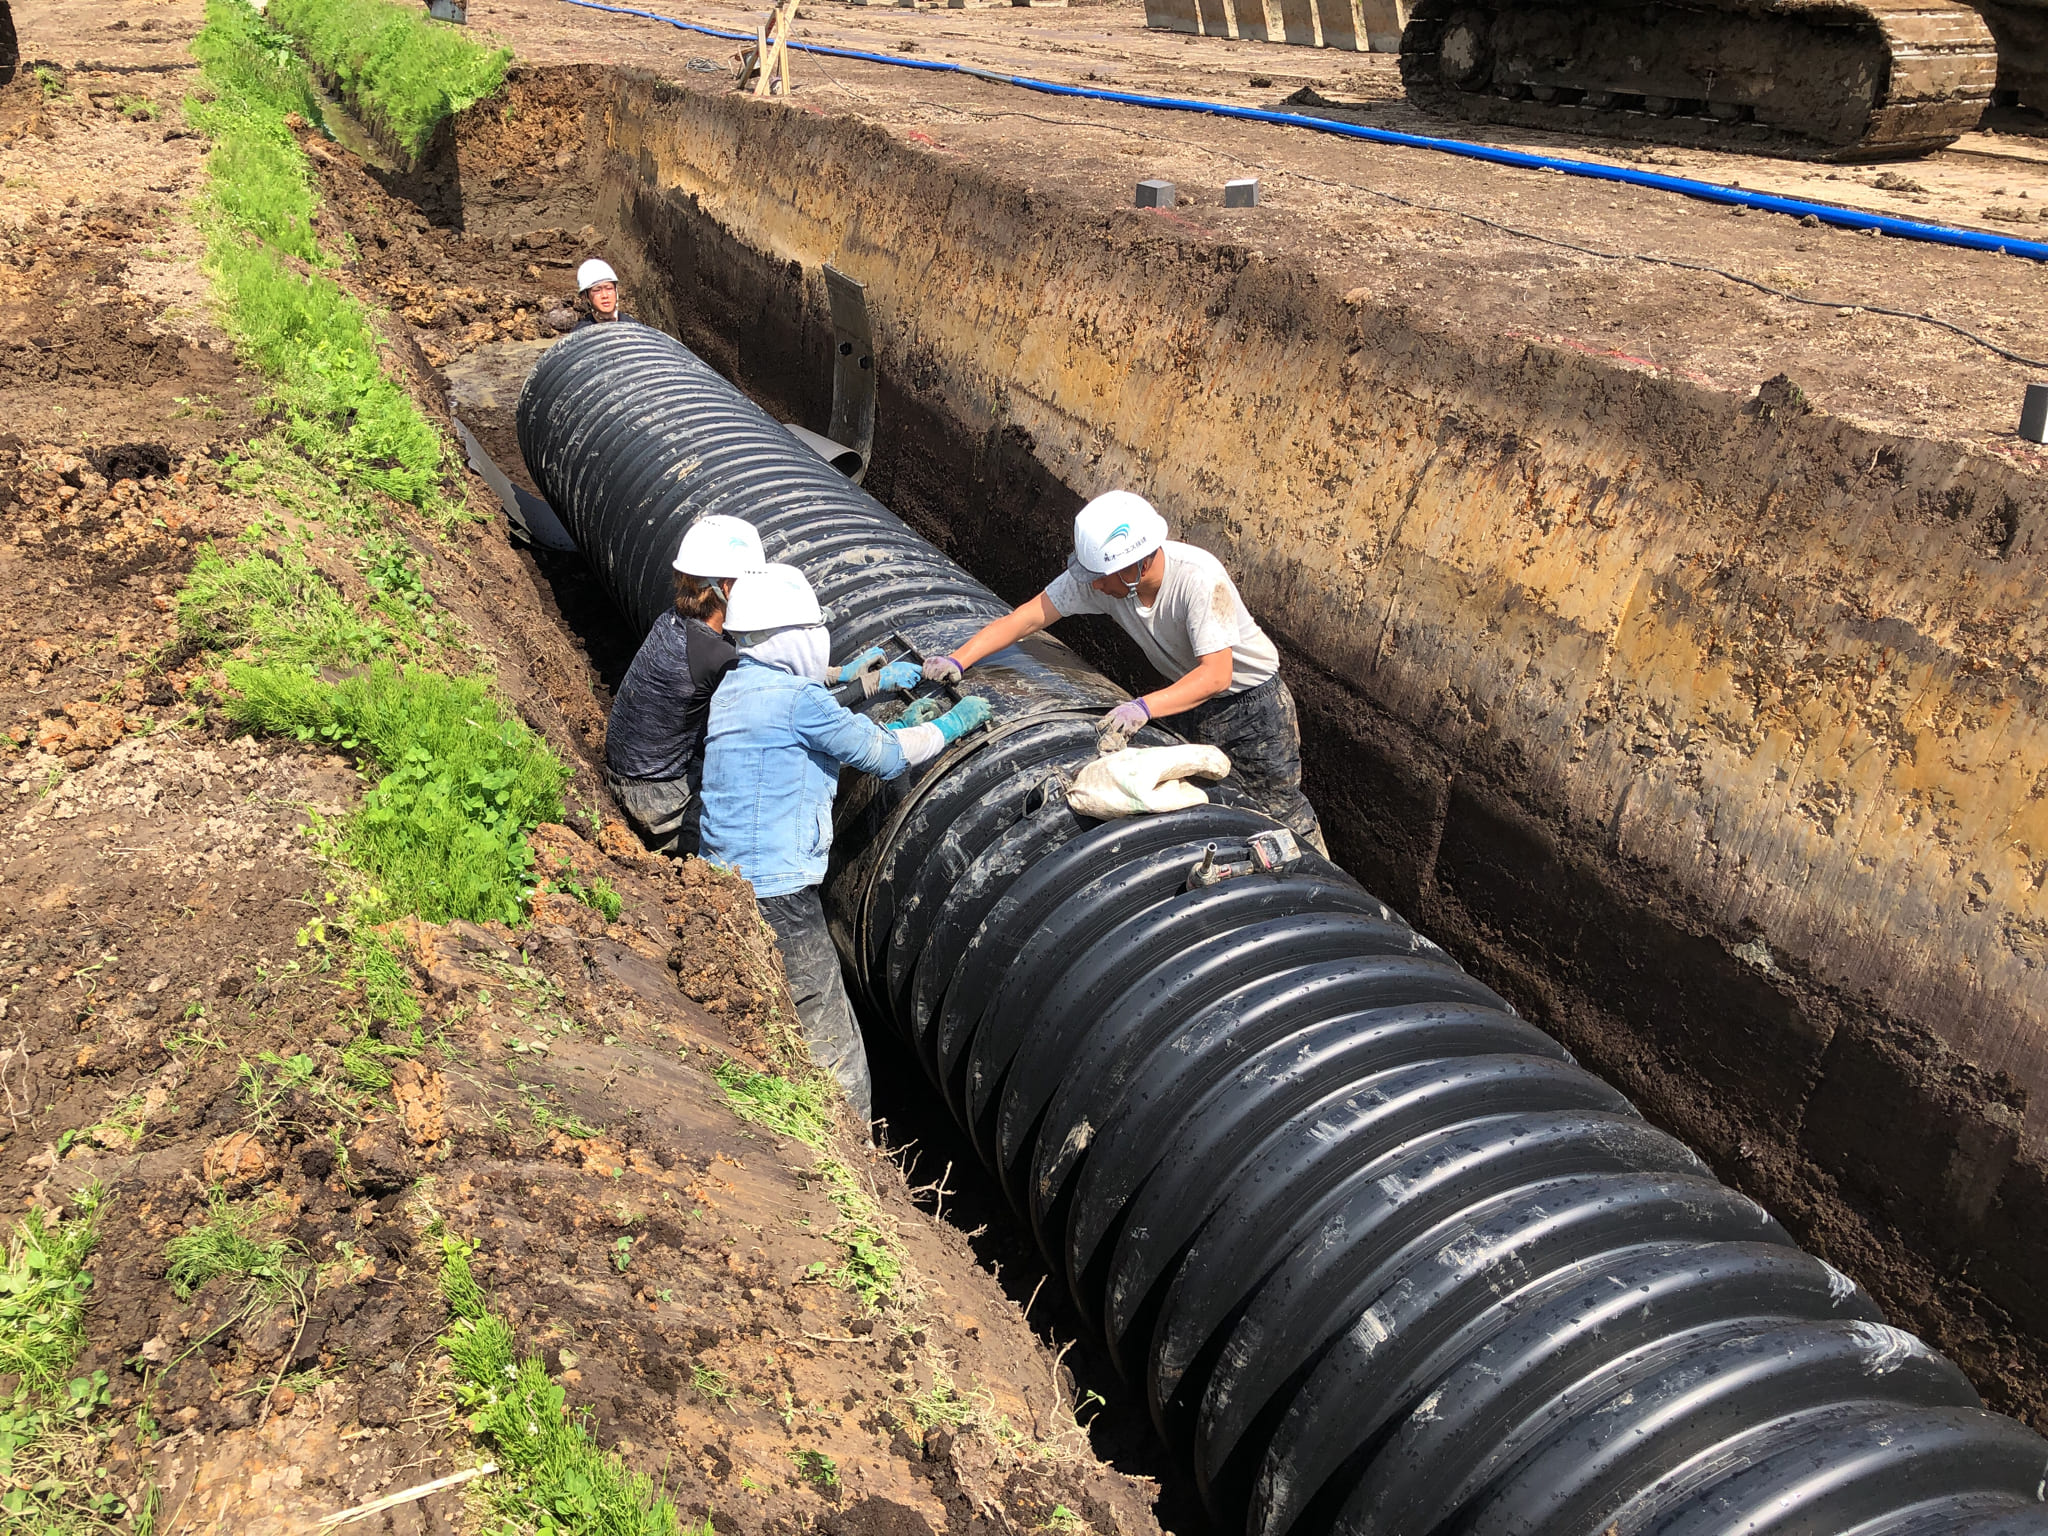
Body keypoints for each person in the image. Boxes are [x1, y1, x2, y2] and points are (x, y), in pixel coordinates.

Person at [700, 563, 987, 1124]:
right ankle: (846, 1154)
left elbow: (803, 704)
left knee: (774, 1010)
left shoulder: (738, 682)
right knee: (831, 1043)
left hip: (724, 879)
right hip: (777, 895)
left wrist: (859, 683)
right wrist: (950, 727)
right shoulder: (797, 702)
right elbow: (883, 755)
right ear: (789, 637)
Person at [925, 490, 1327, 853]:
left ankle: (1320, 883)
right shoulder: (1104, 578)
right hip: (1184, 696)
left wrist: (1142, 708)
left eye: (1100, 579)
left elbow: (1217, 675)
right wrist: (960, 658)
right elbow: (1028, 617)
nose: (1093, 588)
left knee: (1280, 811)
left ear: (1136, 566)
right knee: (1198, 799)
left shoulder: (1198, 579)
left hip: (1251, 707)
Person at [602, 514, 760, 857]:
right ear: (727, 587)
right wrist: (853, 686)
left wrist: (834, 672)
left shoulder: (672, 622)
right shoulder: (713, 655)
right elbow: (775, 702)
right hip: (655, 801)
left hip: (623, 772)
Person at [572, 259, 633, 329]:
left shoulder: (634, 328)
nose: (605, 295)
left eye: (609, 288)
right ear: (585, 296)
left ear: (616, 291)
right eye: (597, 290)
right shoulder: (581, 334)